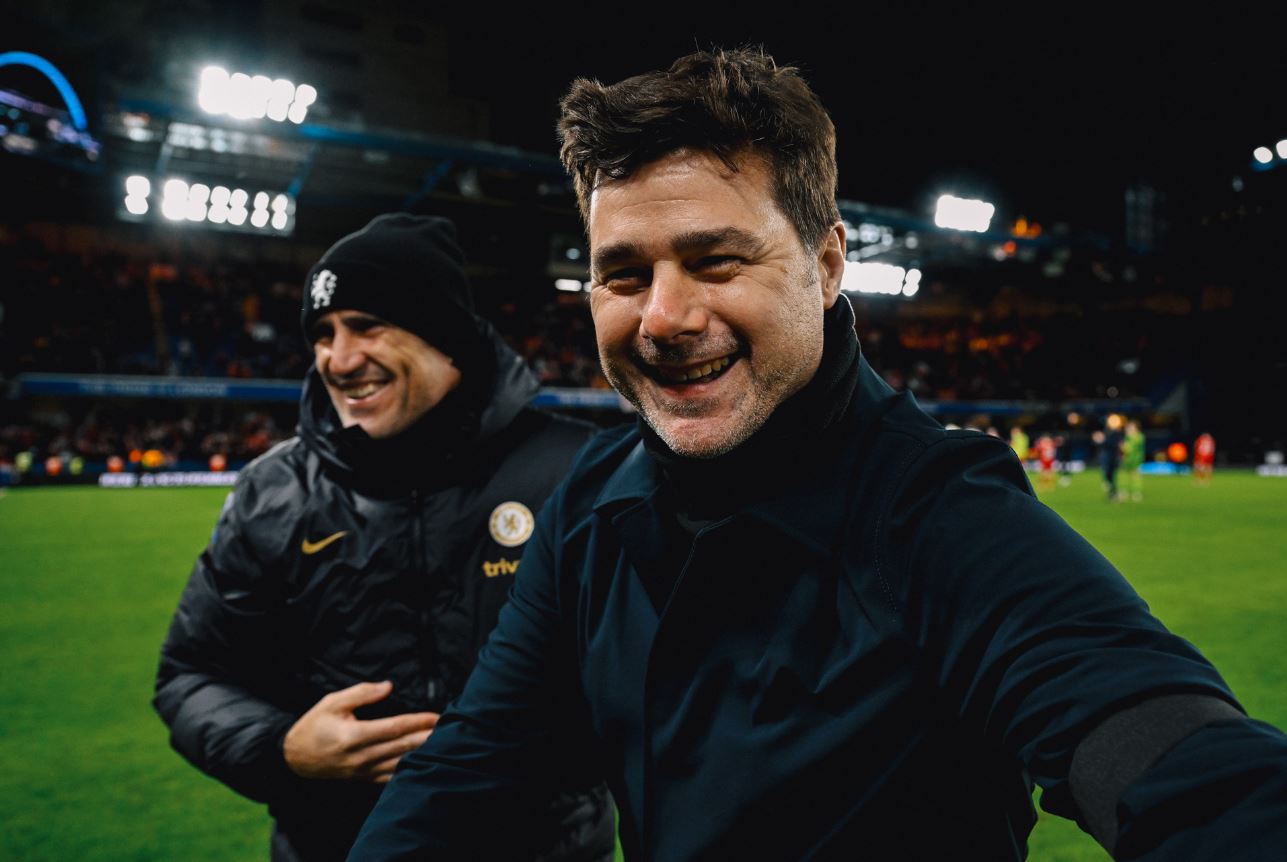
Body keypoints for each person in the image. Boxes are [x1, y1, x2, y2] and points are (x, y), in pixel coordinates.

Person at [350, 50, 1287, 861]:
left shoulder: (943, 515)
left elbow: (1165, 751)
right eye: (623, 274)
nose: (663, 317)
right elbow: (471, 768)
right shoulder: (591, 499)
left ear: (827, 264)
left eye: (716, 261)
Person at [154, 214, 614, 862]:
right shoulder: (272, 493)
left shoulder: (579, 473)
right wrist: (281, 748)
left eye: (367, 325)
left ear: (444, 336)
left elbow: (668, 672)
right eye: (323, 334)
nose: (338, 360)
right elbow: (190, 674)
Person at [1121, 419, 1146, 501]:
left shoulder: (1139, 437)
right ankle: (1124, 492)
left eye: (1131, 427)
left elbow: (1128, 448)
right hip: (1127, 459)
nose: (1129, 428)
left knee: (1136, 477)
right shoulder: (1128, 437)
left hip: (1136, 459)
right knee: (1124, 476)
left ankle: (1136, 493)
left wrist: (1123, 446)